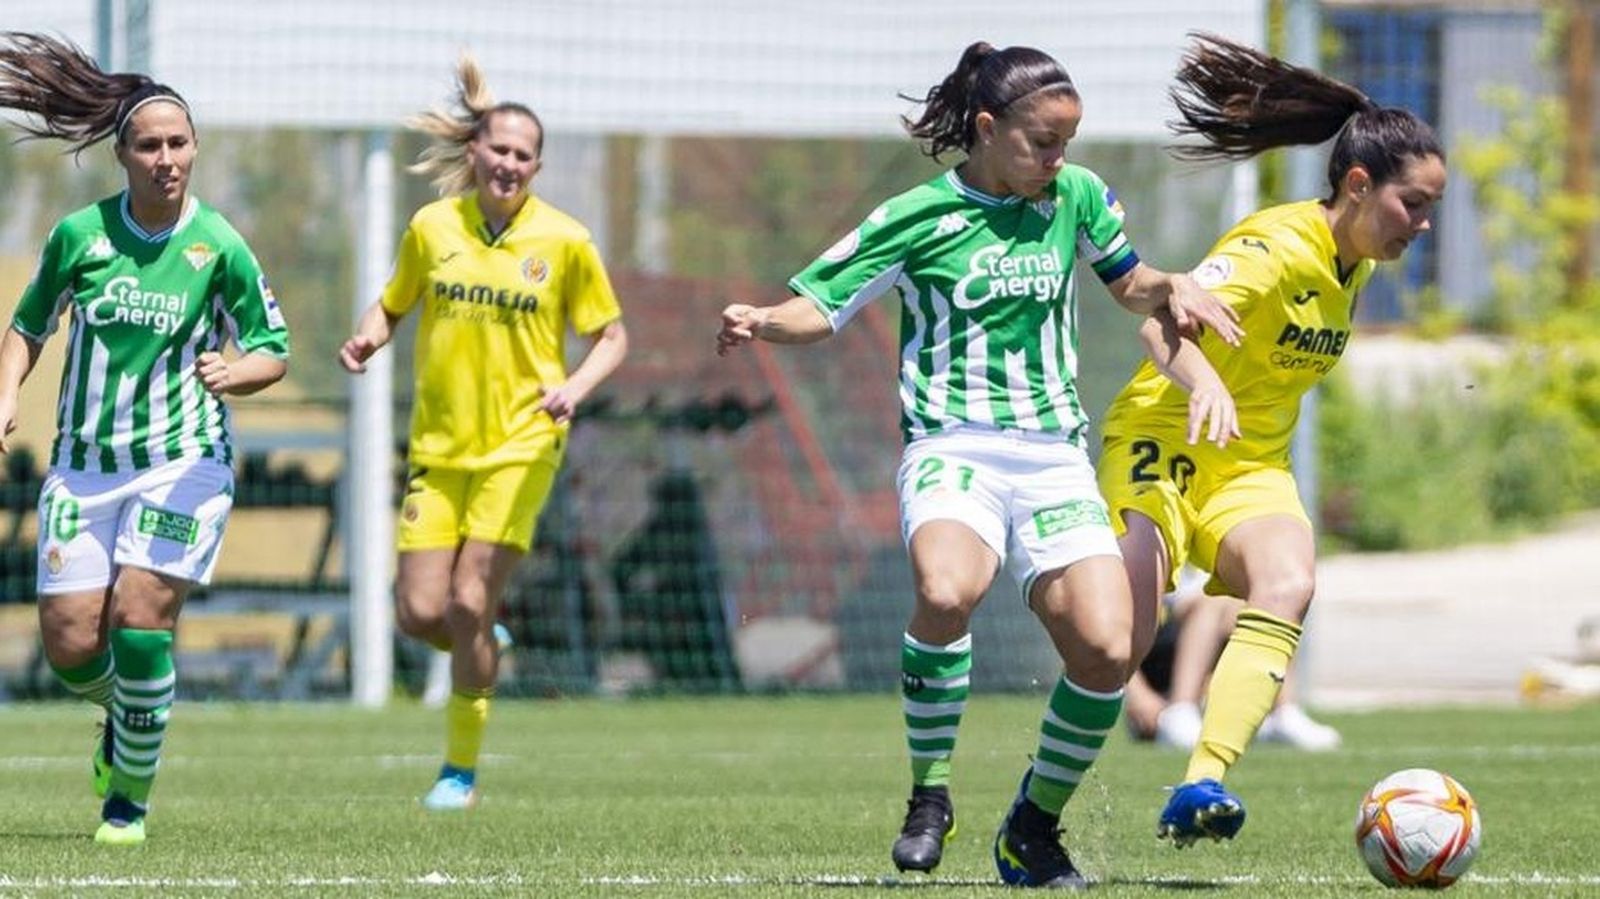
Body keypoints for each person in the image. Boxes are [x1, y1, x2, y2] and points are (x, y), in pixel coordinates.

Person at [717, 41, 1241, 888]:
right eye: (1043, 141)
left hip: (1051, 456)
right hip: (953, 443)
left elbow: (1129, 281)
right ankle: (929, 795)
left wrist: (1171, 286)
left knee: (1110, 648)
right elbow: (823, 306)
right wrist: (761, 320)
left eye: (1067, 141)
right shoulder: (916, 215)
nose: (1058, 158)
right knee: (945, 588)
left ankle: (1032, 826)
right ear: (989, 129)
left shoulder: (1075, 195)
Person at [1096, 33, 1446, 846]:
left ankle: (1200, 783)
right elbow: (1159, 327)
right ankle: (1037, 806)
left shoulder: (1352, 262)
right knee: (1114, 648)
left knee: (1288, 581)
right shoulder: (1270, 249)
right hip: (1164, 436)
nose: (1423, 226)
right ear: (1358, 185)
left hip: (1249, 464)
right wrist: (1206, 380)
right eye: (1413, 204)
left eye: (1432, 208)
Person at [0, 32, 291, 845]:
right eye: (150, 145)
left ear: (195, 148)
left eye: (179, 143)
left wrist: (238, 373)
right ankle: (134, 712)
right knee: (68, 646)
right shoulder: (79, 237)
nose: (167, 157)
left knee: (140, 620)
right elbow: (26, 328)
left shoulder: (218, 244)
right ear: (123, 155)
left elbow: (273, 345)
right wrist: (3, 396)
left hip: (183, 463)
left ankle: (126, 798)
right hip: (84, 467)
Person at [339, 56, 627, 812]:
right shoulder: (432, 228)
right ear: (475, 152)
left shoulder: (564, 240)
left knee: (468, 601)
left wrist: (573, 389)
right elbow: (393, 304)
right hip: (438, 448)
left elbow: (612, 337)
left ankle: (458, 772)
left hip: (522, 447)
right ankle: (485, 649)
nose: (508, 163)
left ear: (537, 166)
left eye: (523, 155)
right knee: (418, 613)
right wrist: (368, 339)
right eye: (498, 149)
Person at [1123, 567, 1340, 752]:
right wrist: (1139, 695)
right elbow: (1114, 629)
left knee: (1269, 602)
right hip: (1153, 668)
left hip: (1201, 666)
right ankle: (1180, 711)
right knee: (1212, 602)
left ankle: (1283, 712)